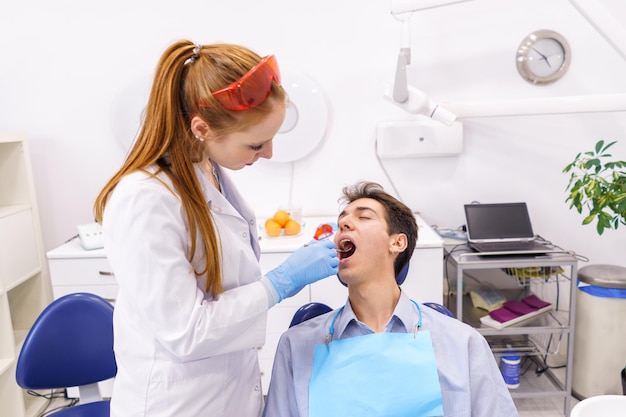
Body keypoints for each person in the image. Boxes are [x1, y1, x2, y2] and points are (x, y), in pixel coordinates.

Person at [93, 40, 338, 417]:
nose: (269, 153)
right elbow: (187, 332)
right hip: (177, 405)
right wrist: (281, 283)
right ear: (201, 127)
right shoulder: (143, 199)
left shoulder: (208, 170)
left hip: (229, 395)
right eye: (256, 144)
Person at [263, 181, 519, 417]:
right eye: (342, 222)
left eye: (363, 217)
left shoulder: (463, 344)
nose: (344, 224)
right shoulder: (296, 347)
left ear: (397, 243)